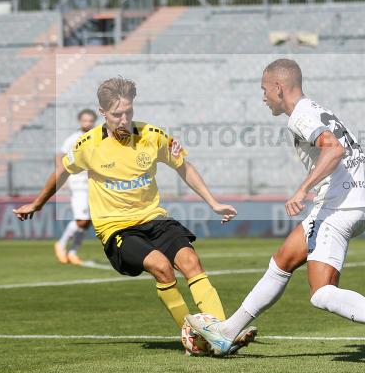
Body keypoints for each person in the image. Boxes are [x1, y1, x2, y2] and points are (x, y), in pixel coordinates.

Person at [186, 59, 365, 366]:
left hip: (339, 205)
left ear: (278, 87)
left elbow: (333, 148)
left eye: (264, 90)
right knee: (283, 260)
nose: (263, 97)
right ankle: (227, 331)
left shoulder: (301, 115)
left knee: (321, 293)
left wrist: (302, 189)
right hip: (355, 200)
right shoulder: (316, 108)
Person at [13, 77, 255, 347]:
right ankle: (196, 336)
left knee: (191, 262)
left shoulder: (153, 136)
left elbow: (183, 166)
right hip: (116, 228)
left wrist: (213, 202)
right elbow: (61, 173)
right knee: (162, 268)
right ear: (103, 113)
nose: (124, 119)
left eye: (129, 112)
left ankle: (222, 332)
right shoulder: (88, 145)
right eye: (117, 114)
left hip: (154, 218)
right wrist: (37, 203)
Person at [54, 108, 98, 265]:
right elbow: (60, 155)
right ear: (80, 121)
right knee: (82, 219)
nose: (87, 123)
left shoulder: (98, 137)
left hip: (94, 183)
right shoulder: (73, 139)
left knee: (88, 221)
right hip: (78, 182)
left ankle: (73, 252)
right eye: (84, 120)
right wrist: (62, 176)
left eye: (90, 120)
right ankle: (61, 244)